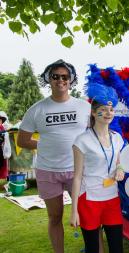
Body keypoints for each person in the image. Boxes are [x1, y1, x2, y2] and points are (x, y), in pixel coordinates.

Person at [17, 60, 91, 253]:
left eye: (65, 76)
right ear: (48, 79)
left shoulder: (84, 107)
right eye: (55, 76)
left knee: (86, 215)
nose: (60, 80)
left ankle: (93, 249)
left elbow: (94, 135)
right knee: (55, 217)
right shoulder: (36, 109)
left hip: (78, 170)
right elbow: (22, 141)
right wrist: (43, 144)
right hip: (47, 171)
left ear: (71, 80)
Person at [70, 83, 125, 253]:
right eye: (103, 109)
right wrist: (74, 211)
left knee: (117, 248)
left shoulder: (117, 139)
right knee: (93, 249)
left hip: (112, 199)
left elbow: (117, 162)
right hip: (89, 200)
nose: (109, 113)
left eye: (111, 109)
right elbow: (77, 177)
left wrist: (120, 169)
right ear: (93, 112)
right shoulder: (82, 140)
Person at [0, 111, 11, 179]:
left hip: (1, 148)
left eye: (0, 120)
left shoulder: (2, 128)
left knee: (2, 164)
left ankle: (3, 177)